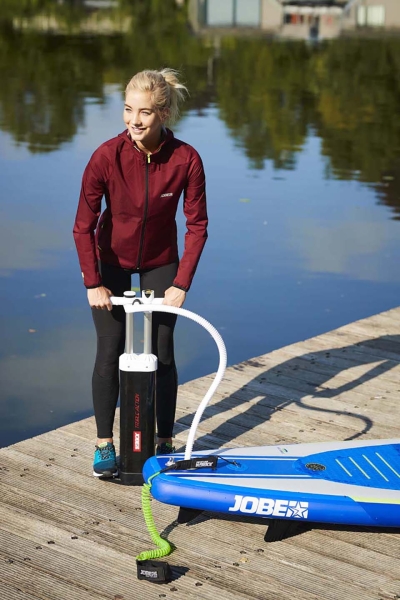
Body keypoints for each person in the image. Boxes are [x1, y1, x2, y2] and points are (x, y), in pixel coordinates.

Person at [73, 68, 208, 478]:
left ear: (163, 113)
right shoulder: (106, 156)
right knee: (109, 348)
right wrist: (93, 282)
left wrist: (181, 283)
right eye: (128, 109)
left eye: (145, 112)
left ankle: (164, 441)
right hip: (111, 262)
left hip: (160, 261)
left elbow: (197, 226)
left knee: (162, 351)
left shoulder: (185, 159)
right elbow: (83, 226)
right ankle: (104, 443)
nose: (134, 120)